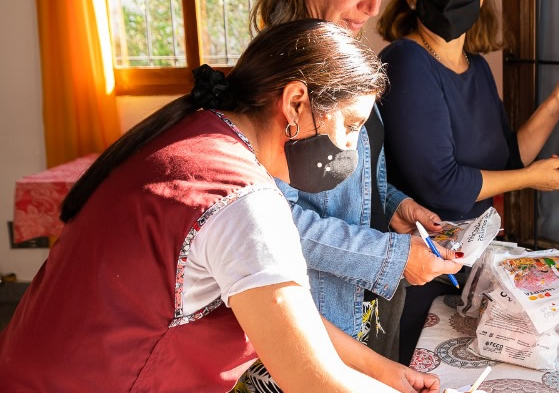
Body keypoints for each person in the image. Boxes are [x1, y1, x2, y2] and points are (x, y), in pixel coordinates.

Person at [0, 20, 438, 393]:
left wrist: (387, 373)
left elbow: (286, 319)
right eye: (349, 126)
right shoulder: (245, 201)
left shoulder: (195, 135)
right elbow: (312, 381)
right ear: (296, 102)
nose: (349, 150)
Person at [250, 0, 460, 365]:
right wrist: (392, 257)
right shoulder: (274, 80)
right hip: (313, 317)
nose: (372, 7)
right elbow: (271, 224)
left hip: (366, 305)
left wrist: (395, 207)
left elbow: (352, 175)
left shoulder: (342, 57)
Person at [376, 0, 559, 363]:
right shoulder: (406, 61)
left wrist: (558, 105)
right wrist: (530, 180)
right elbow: (443, 189)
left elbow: (508, 159)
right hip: (422, 272)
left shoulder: (477, 67)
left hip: (471, 265)